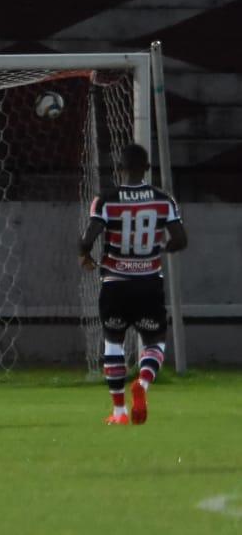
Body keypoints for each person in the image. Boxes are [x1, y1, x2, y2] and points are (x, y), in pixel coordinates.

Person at [79, 143, 186, 426]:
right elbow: (180, 239)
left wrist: (84, 256)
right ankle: (143, 382)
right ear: (147, 168)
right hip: (149, 283)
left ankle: (119, 412)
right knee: (155, 342)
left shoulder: (106, 200)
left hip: (115, 284)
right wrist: (160, 248)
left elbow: (88, 238)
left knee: (113, 342)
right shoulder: (164, 200)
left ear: (120, 169)